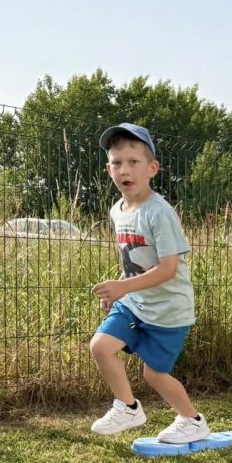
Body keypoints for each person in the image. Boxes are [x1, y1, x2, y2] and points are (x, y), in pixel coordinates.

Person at [88, 123, 209, 443]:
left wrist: (123, 287)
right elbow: (131, 259)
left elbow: (168, 268)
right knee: (101, 346)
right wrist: (118, 293)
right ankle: (128, 407)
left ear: (152, 168)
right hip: (135, 302)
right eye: (116, 163)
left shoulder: (159, 212)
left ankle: (192, 420)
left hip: (169, 310)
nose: (124, 170)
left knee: (153, 374)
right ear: (108, 169)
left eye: (133, 162)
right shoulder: (117, 210)